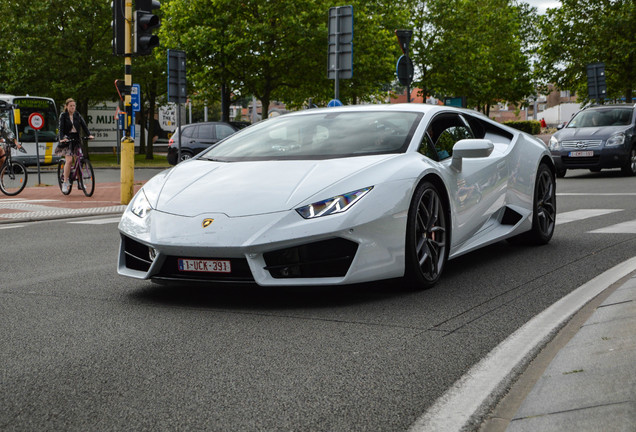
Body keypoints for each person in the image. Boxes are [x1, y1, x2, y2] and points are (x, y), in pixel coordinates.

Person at [55, 98, 93, 193]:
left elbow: (84, 125)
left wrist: (89, 134)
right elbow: (61, 128)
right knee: (69, 161)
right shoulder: (63, 116)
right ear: (67, 106)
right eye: (71, 106)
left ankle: (80, 182)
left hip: (76, 139)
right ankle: (65, 182)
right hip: (66, 139)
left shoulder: (77, 115)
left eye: (74, 106)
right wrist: (62, 138)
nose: (73, 107)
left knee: (79, 160)